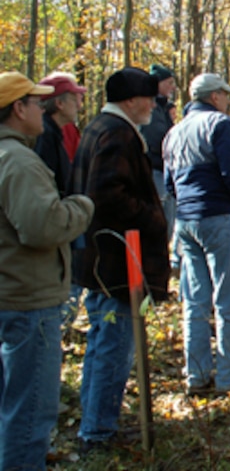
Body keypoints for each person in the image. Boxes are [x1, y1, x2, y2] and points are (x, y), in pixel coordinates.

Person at [69, 66, 171, 454]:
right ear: (131, 100)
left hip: (103, 258)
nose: (152, 106)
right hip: (115, 261)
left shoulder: (103, 126)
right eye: (148, 98)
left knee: (102, 341)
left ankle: (94, 421)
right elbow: (107, 194)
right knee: (113, 344)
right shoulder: (116, 132)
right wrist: (151, 216)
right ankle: (98, 430)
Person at [0, 72, 94, 471]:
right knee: (29, 414)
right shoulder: (18, 160)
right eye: (36, 103)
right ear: (18, 109)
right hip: (27, 299)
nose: (42, 109)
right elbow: (42, 225)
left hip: (14, 293)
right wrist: (81, 207)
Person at [163, 73, 230, 395]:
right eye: (225, 95)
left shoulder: (173, 133)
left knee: (195, 302)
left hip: (186, 222)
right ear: (215, 97)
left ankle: (197, 375)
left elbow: (169, 185)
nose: (228, 100)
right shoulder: (220, 125)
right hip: (219, 216)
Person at [34, 71, 89, 327]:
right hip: (54, 225)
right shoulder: (44, 135)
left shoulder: (55, 132)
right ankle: (60, 323)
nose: (79, 104)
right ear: (59, 103)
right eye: (74, 98)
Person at [141, 64, 177, 242]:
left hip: (163, 171)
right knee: (162, 221)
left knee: (168, 220)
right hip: (157, 171)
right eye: (169, 83)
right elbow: (158, 140)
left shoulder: (163, 108)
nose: (173, 87)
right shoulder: (153, 109)